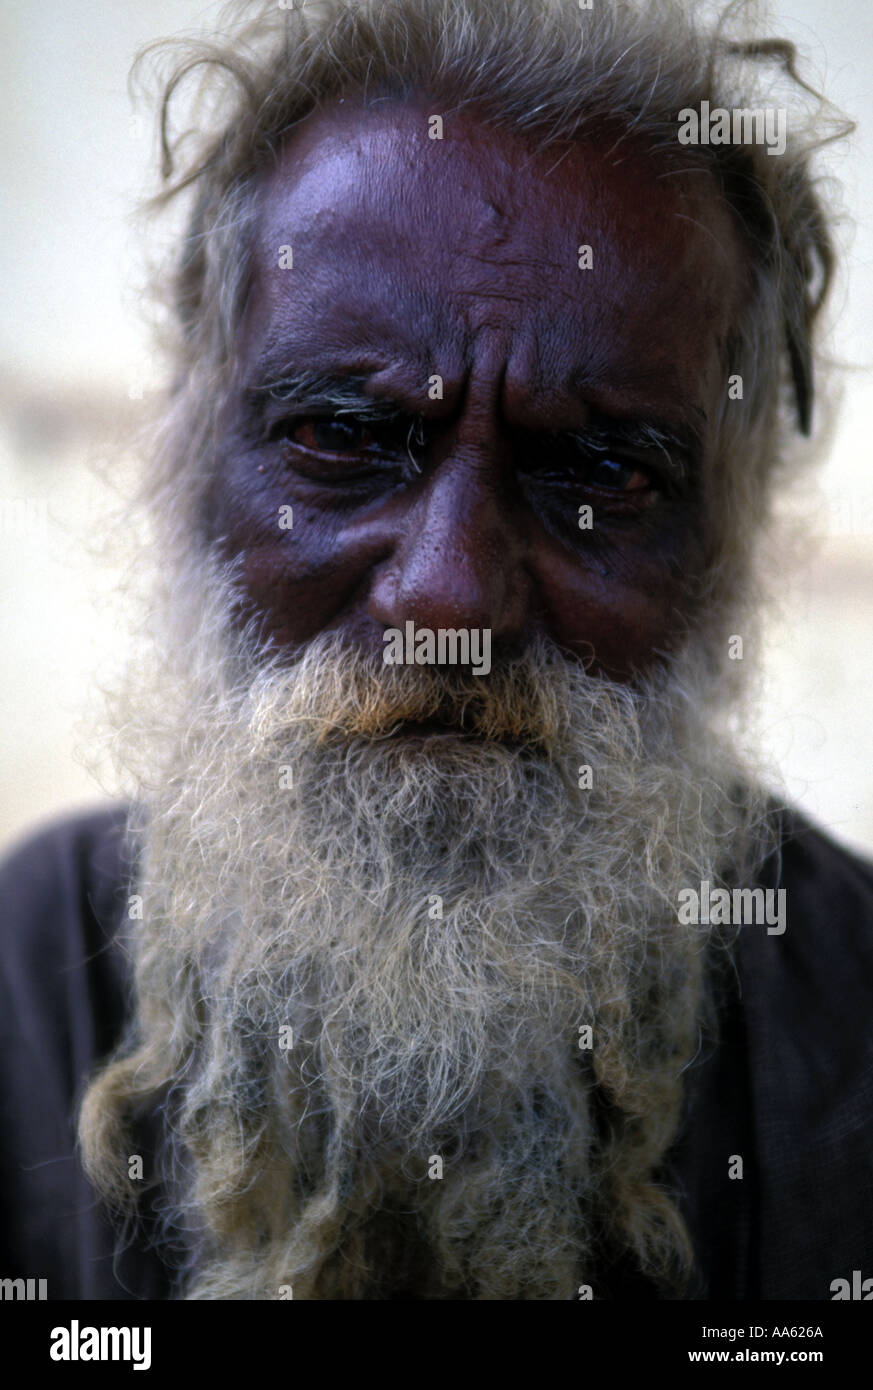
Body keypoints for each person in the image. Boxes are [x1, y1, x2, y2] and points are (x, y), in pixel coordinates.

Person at [2, 0, 871, 1301]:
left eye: (599, 475)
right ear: (189, 470)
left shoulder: (850, 1015)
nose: (451, 594)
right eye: (343, 437)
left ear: (729, 547)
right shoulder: (26, 972)